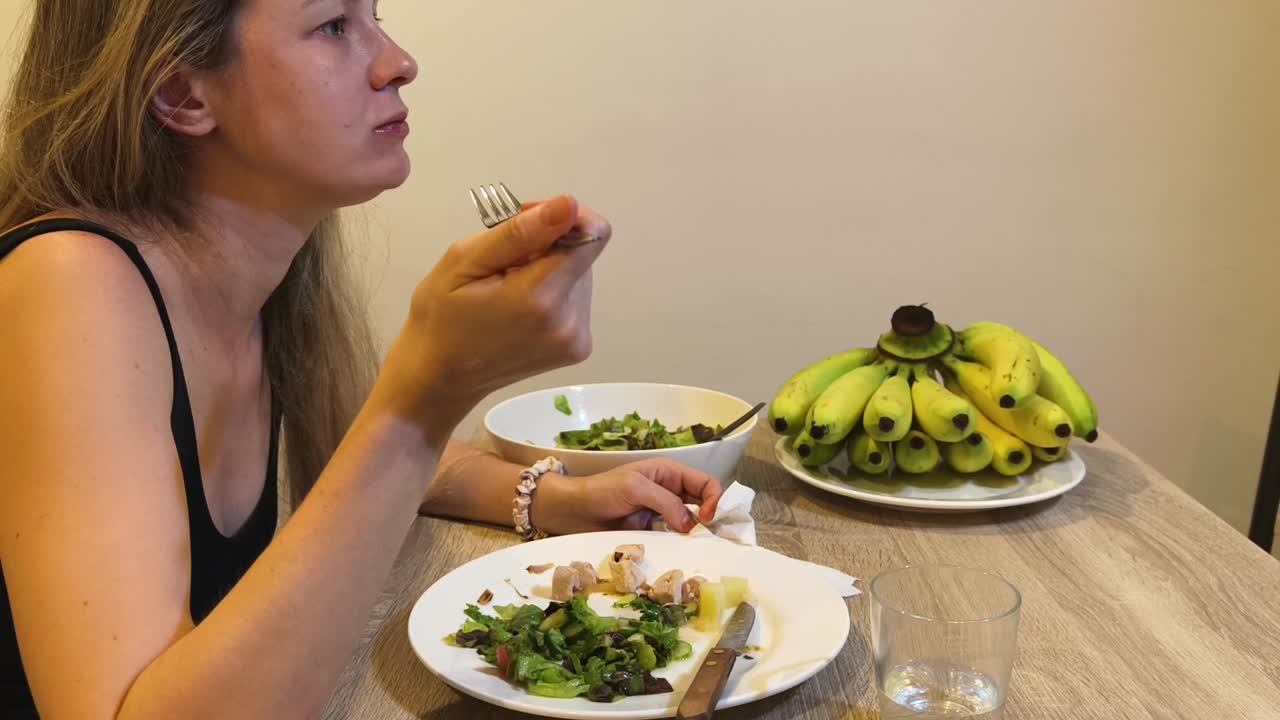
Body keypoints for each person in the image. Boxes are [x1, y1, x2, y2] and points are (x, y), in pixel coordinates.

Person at [0, 1, 724, 717]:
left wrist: (551, 496)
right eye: (333, 26)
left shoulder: (264, 272)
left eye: (375, 15)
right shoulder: (70, 283)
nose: (399, 62)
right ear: (181, 93)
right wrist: (425, 396)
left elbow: (356, 452)